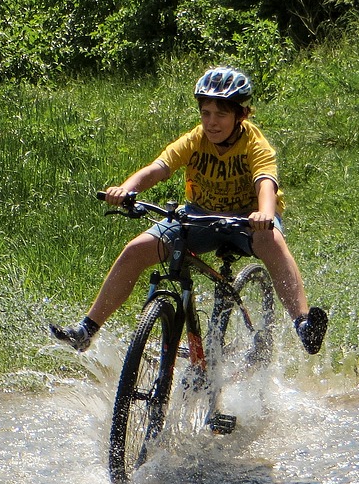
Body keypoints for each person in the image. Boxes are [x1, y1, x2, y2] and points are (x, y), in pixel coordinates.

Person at [50, 66, 328, 354]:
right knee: (136, 249)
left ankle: (303, 324)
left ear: (240, 115)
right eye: (206, 113)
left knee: (270, 240)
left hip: (248, 219)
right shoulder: (196, 139)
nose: (212, 122)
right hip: (200, 215)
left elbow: (265, 183)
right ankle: (86, 330)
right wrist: (127, 188)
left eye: (221, 114)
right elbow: (159, 168)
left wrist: (265, 214)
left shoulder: (254, 143)